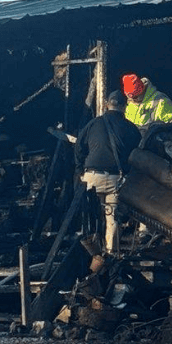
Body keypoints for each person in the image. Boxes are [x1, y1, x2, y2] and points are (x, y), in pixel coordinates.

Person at [75, 90, 142, 254]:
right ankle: (111, 255)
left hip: (92, 178)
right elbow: (137, 155)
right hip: (116, 180)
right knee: (112, 219)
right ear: (124, 107)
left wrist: (80, 170)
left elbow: (79, 148)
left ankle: (91, 255)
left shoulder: (93, 124)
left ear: (107, 104)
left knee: (90, 218)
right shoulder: (131, 128)